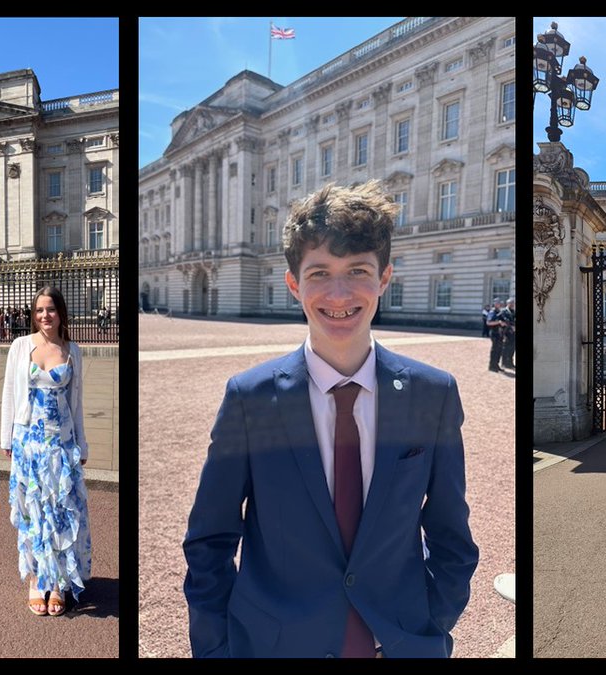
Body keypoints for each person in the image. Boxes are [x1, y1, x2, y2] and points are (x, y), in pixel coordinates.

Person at [183, 180, 479, 658]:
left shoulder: (433, 393)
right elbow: (210, 539)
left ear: (384, 279)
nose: (339, 293)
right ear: (294, 283)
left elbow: (451, 535)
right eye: (319, 273)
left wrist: (430, 625)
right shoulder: (250, 397)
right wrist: (217, 649)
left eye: (358, 270)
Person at [0, 287, 92, 617]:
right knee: (33, 511)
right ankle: (38, 578)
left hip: (61, 442)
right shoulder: (20, 346)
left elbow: (77, 402)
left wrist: (82, 442)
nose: (44, 316)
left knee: (61, 511)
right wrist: (6, 438)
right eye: (39, 310)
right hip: (28, 441)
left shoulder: (73, 350)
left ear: (60, 312)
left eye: (50, 309)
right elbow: (10, 392)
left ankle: (59, 582)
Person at [486, 298, 507, 372]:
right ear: (494, 304)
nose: (499, 304)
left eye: (499, 303)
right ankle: (492, 366)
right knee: (494, 350)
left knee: (499, 350)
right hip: (494, 333)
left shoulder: (500, 312)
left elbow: (503, 321)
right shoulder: (492, 312)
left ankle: (496, 365)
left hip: (500, 333)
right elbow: (488, 323)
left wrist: (504, 323)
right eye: (497, 303)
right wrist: (499, 322)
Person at [499, 298, 516, 369]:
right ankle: (504, 363)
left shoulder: (514, 311)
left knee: (512, 348)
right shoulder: (503, 311)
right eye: (511, 303)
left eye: (513, 303)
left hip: (513, 333)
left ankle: (510, 363)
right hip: (506, 332)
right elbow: (504, 320)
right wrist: (511, 326)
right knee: (505, 348)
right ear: (507, 304)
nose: (512, 304)